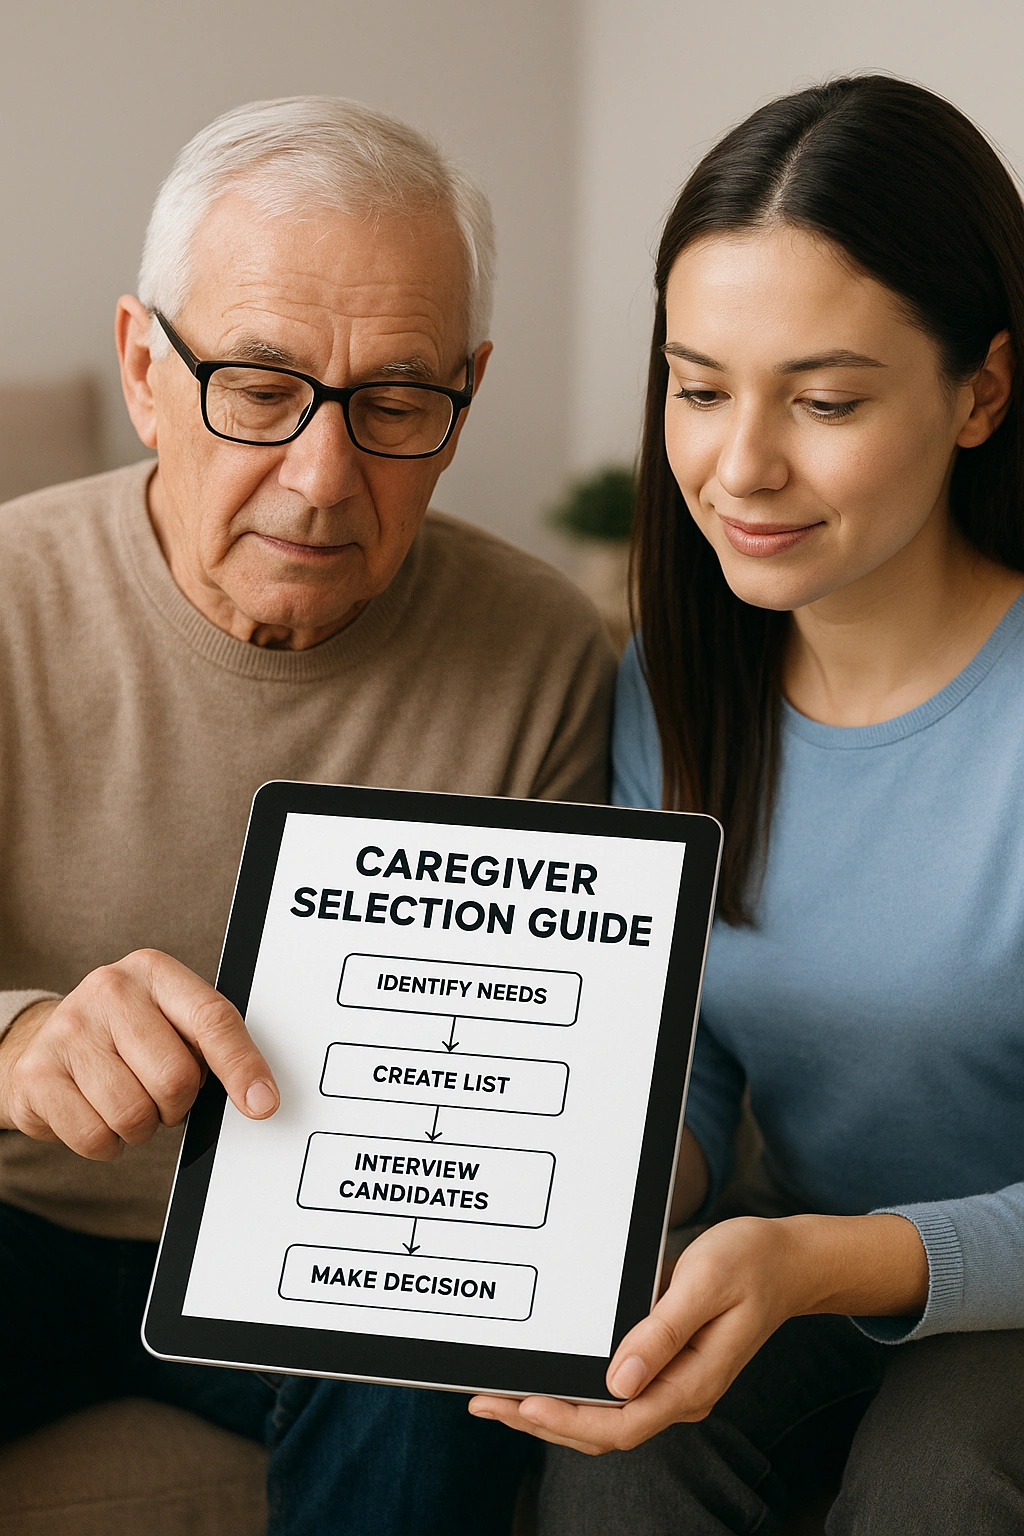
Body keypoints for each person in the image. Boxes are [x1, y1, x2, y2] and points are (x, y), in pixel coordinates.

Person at [0, 96, 612, 1534]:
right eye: (260, 389)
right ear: (146, 370)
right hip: (16, 1220)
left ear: (465, 393)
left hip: (330, 1268)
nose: (325, 477)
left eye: (397, 402)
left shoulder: (549, 653)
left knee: (434, 1354)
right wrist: (18, 1036)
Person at [470, 76, 1024, 1532]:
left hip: (973, 1288)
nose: (740, 466)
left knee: (939, 1477)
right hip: (807, 1260)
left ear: (982, 391)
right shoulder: (683, 674)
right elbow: (693, 1057)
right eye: (700, 387)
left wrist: (812, 1259)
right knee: (622, 1455)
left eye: (825, 399)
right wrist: (571, 1204)